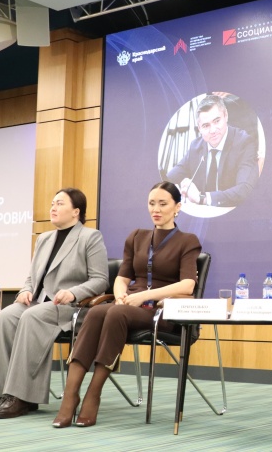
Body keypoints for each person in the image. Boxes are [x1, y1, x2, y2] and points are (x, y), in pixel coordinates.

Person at [51, 181, 202, 428]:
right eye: (151, 203)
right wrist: (121, 295)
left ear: (177, 207)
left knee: (116, 314)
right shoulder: (137, 237)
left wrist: (144, 296)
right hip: (129, 304)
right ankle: (70, 396)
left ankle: (93, 394)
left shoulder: (188, 240)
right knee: (96, 313)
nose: (156, 209)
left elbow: (187, 285)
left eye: (163, 204)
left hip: (161, 311)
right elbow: (122, 278)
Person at [0, 188, 109, 418]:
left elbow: (100, 280)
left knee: (31, 317)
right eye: (52, 203)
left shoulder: (90, 237)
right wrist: (25, 290)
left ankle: (22, 396)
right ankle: (4, 391)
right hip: (39, 302)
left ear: (76, 211)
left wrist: (73, 293)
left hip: (71, 307)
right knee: (6, 316)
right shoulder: (44, 239)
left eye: (60, 203)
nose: (53, 208)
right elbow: (32, 277)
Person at [166, 94, 258, 207]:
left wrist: (202, 198)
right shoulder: (195, 146)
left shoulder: (244, 143)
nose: (213, 130)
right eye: (206, 126)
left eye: (217, 121)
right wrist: (176, 188)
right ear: (199, 128)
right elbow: (170, 178)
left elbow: (245, 190)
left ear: (226, 116)